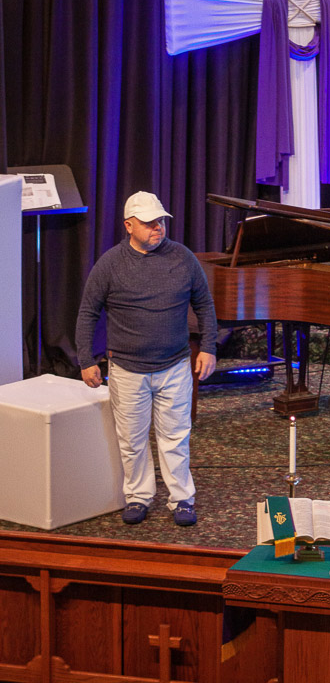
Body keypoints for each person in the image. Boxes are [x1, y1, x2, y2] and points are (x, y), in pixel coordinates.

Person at [76, 191, 217, 527]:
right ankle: (138, 497)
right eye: (149, 223)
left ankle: (182, 499)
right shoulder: (110, 264)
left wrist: (209, 346)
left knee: (176, 437)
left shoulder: (183, 258)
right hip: (127, 369)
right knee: (132, 440)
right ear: (129, 226)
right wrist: (85, 359)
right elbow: (87, 312)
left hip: (175, 365)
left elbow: (205, 304)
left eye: (160, 221)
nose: (158, 228)